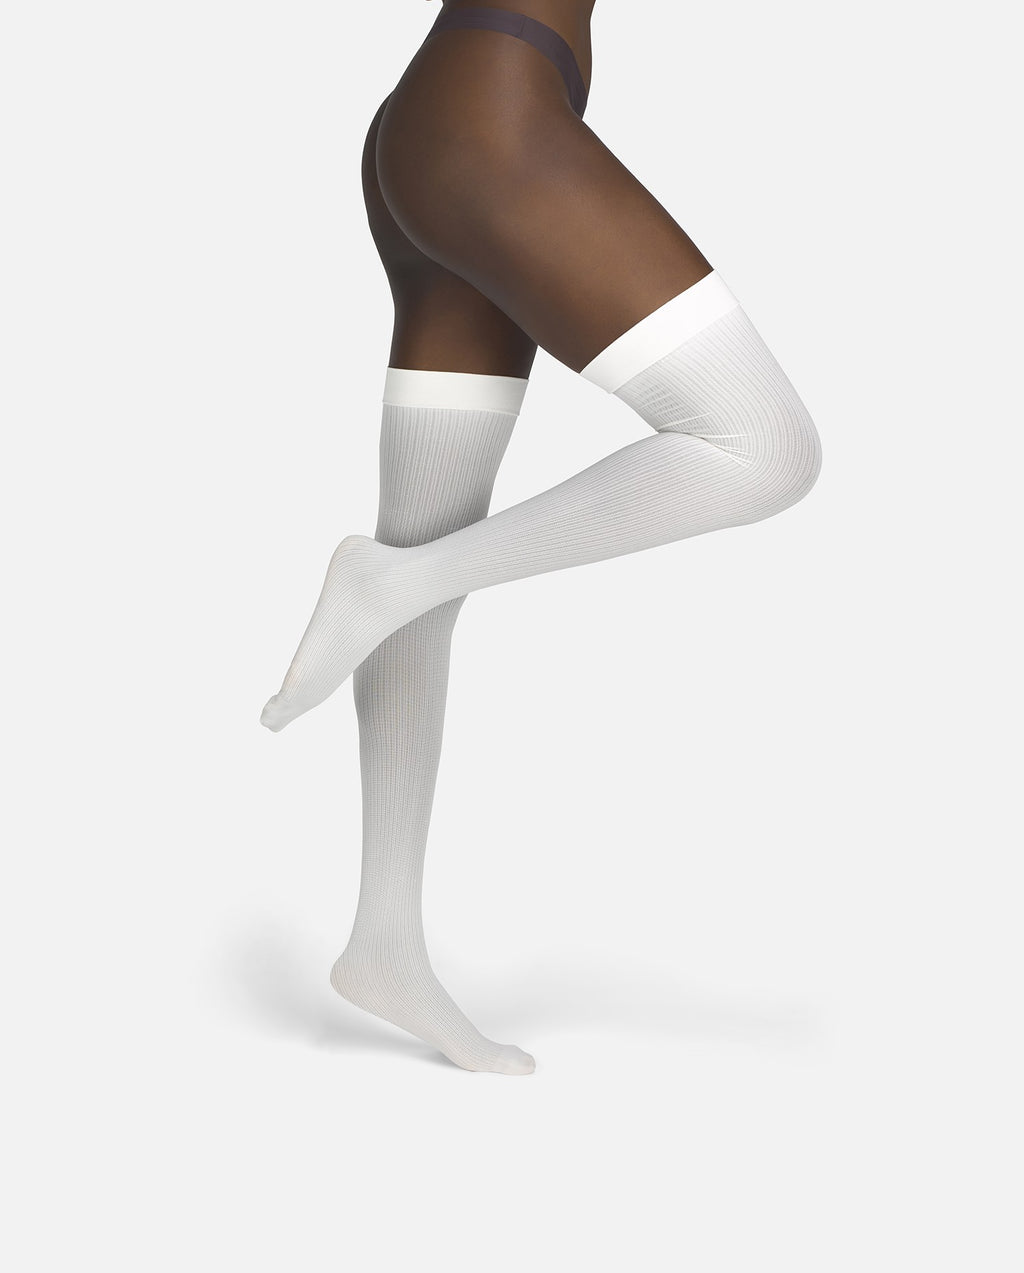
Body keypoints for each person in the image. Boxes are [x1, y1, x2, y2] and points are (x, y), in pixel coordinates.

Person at [259, 0, 823, 1074]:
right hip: (492, 116)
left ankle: (384, 942)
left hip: (457, 111)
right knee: (765, 444)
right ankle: (386, 583)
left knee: (423, 568)